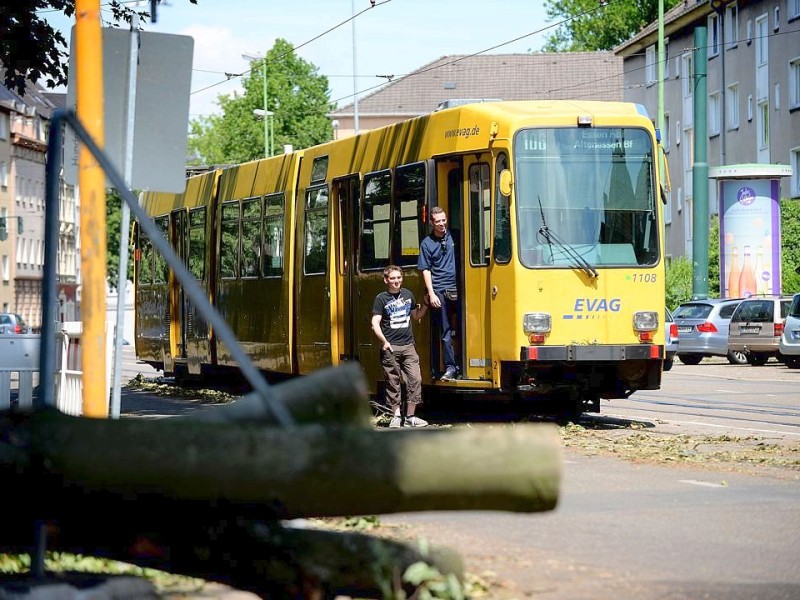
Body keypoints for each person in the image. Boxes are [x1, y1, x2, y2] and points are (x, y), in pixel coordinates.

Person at [371, 265, 429, 428]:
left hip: (408, 345)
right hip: (391, 347)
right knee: (393, 381)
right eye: (393, 278)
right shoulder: (381, 299)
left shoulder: (408, 295)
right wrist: (384, 342)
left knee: (415, 379)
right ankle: (396, 416)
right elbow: (375, 322)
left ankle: (410, 416)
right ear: (386, 280)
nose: (396, 281)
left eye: (399, 278)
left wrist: (425, 304)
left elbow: (416, 315)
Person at [418, 206, 458, 381]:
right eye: (438, 221)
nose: (442, 224)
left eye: (444, 220)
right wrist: (431, 293)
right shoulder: (427, 243)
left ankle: (460, 363)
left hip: (458, 288)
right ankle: (449, 367)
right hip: (440, 290)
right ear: (432, 223)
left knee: (462, 328)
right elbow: (425, 269)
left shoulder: (455, 235)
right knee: (445, 330)